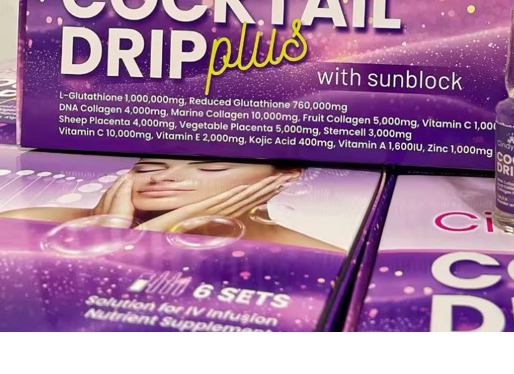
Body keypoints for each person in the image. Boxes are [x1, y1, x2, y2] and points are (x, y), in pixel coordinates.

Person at [0, 157, 341, 251]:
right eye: (148, 166)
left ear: (285, 177)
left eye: (212, 168)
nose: (163, 178)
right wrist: (118, 239)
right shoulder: (29, 222)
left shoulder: (320, 256)